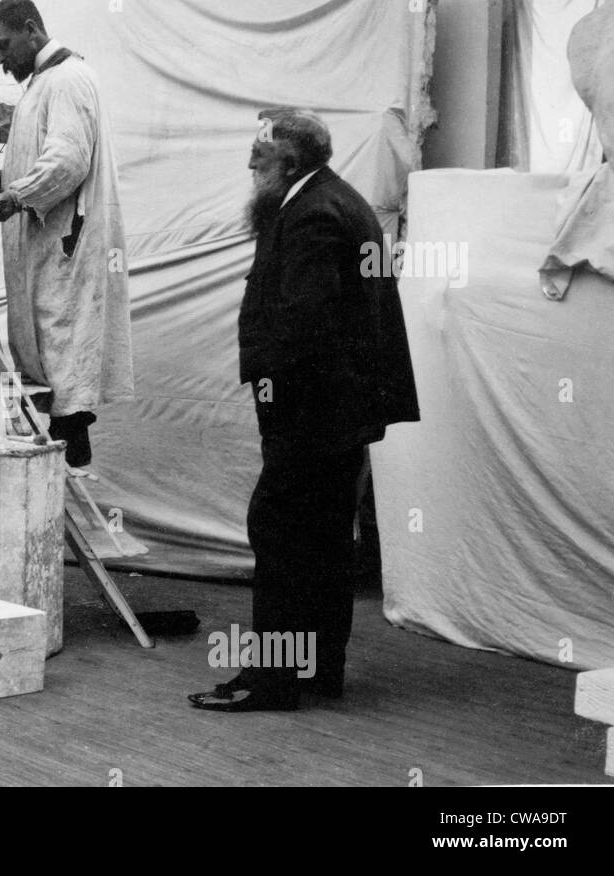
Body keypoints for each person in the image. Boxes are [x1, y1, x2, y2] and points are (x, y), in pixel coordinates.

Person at [189, 109, 419, 712]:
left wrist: (271, 390)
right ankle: (316, 670)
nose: (248, 166)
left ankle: (272, 681)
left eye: (258, 158)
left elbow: (304, 326)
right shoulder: (334, 199)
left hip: (312, 414)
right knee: (322, 541)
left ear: (288, 164)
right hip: (336, 414)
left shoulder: (314, 212)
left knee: (281, 532)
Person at [0, 0, 133, 472]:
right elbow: (49, 149)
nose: (0, 61)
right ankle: (62, 458)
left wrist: (18, 195)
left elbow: (67, 161)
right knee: (52, 346)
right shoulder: (43, 83)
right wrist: (7, 177)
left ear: (31, 30)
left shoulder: (67, 79)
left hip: (67, 242)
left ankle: (70, 459)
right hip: (50, 241)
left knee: (64, 344)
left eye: (3, 47)